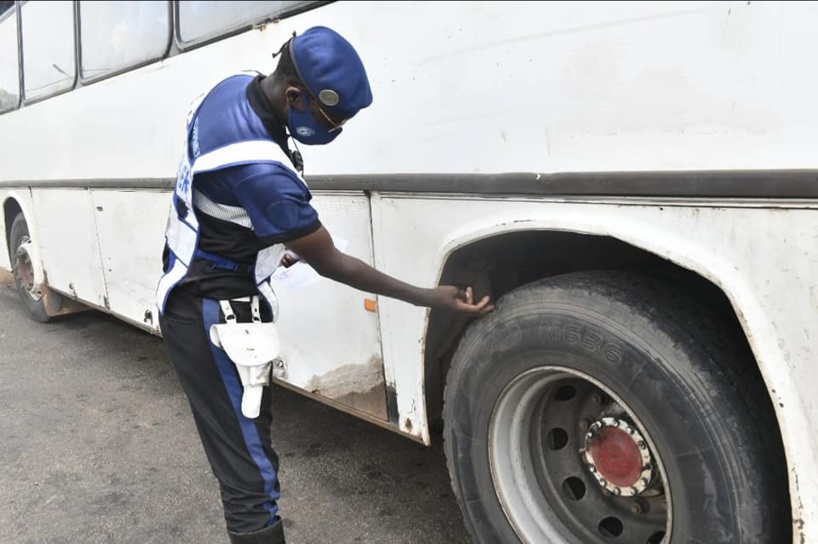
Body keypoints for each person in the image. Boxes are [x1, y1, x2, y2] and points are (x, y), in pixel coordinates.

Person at [154, 26, 493, 544]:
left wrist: (267, 242)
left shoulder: (232, 88)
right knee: (251, 477)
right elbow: (333, 263)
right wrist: (430, 297)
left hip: (192, 277)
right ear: (293, 95)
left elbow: (220, 202)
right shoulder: (263, 172)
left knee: (251, 450)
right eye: (332, 118)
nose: (335, 128)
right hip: (209, 313)